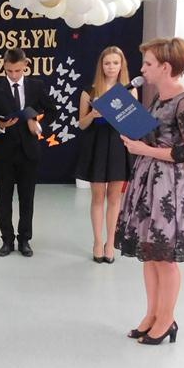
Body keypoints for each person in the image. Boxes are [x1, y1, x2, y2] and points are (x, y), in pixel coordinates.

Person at [115, 37, 184, 346]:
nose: (142, 69)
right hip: (148, 179)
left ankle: (166, 319)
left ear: (166, 67)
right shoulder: (158, 98)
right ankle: (152, 315)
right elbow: (156, 137)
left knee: (164, 258)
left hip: (168, 186)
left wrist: (145, 149)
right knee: (150, 255)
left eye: (148, 64)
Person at [0, 47, 57, 257]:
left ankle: (25, 239)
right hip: (4, 153)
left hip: (29, 152)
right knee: (4, 199)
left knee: (27, 199)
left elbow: (52, 111)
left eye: (17, 70)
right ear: (4, 67)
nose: (14, 75)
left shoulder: (37, 86)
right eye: (9, 71)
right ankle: (7, 240)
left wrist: (38, 125)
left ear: (25, 65)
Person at [76, 46, 135, 263]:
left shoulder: (129, 91)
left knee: (115, 197)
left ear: (121, 66)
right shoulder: (89, 91)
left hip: (119, 146)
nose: (111, 67)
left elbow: (133, 125)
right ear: (101, 66)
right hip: (97, 146)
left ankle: (111, 242)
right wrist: (93, 114)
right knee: (98, 196)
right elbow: (81, 124)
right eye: (107, 63)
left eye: (115, 63)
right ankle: (97, 241)